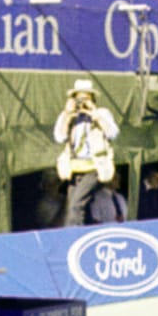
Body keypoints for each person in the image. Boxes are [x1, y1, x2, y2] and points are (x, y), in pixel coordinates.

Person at [53, 79, 119, 226]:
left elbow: (113, 134)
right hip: (75, 168)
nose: (82, 102)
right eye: (79, 99)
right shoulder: (68, 116)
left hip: (94, 166)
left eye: (86, 98)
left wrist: (95, 114)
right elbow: (59, 137)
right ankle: (85, 233)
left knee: (76, 205)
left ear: (92, 99)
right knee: (74, 207)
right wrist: (67, 116)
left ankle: (72, 238)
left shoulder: (101, 113)